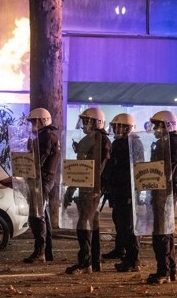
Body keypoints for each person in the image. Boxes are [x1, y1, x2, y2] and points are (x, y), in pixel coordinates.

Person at [64, 107, 111, 274]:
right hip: (87, 187)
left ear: (97, 122)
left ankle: (85, 262)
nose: (84, 124)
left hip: (92, 188)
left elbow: (97, 168)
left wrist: (93, 188)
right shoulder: (90, 139)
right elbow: (79, 168)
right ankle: (94, 261)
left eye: (87, 121)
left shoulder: (101, 140)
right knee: (91, 224)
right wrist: (72, 187)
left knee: (84, 224)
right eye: (83, 121)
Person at [103, 113, 144, 272]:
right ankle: (121, 250)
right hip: (118, 189)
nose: (116, 129)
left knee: (128, 225)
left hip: (127, 189)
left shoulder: (133, 143)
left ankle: (133, 259)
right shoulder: (120, 143)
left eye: (120, 126)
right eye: (115, 126)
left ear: (128, 128)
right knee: (119, 222)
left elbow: (130, 169)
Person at [22, 108, 61, 263]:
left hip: (42, 178)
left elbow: (39, 160)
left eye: (34, 121)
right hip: (45, 178)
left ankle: (40, 253)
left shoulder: (46, 137)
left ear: (42, 121)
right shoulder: (47, 136)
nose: (32, 124)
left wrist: (26, 167)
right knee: (43, 214)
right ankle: (47, 252)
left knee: (37, 215)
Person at [145, 110, 177, 284]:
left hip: (165, 193)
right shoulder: (164, 142)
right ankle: (170, 269)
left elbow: (167, 170)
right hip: (162, 192)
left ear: (168, 125)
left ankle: (163, 271)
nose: (156, 128)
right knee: (165, 232)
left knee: (161, 233)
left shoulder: (171, 144)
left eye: (158, 124)